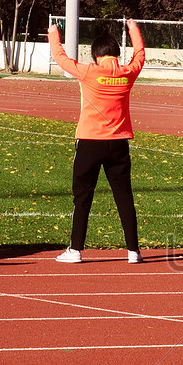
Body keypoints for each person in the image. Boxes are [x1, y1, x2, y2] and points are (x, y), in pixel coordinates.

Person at [48, 18, 146, 264]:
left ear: (95, 56)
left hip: (90, 142)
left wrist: (53, 34)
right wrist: (133, 28)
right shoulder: (127, 72)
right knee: (124, 197)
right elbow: (140, 55)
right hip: (118, 144)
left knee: (82, 197)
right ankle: (133, 251)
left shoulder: (90, 72)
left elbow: (61, 59)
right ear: (115, 53)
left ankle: (75, 249)